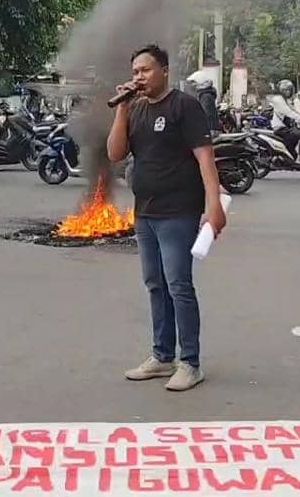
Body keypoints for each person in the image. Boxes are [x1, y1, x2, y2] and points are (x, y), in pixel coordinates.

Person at [108, 44, 225, 392]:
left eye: (145, 70)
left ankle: (190, 362)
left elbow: (205, 159)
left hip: (179, 212)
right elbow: (115, 153)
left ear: (164, 71)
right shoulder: (137, 109)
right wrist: (121, 110)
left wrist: (213, 206)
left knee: (178, 286)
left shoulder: (184, 106)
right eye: (134, 72)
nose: (138, 77)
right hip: (145, 212)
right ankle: (162, 356)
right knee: (155, 284)